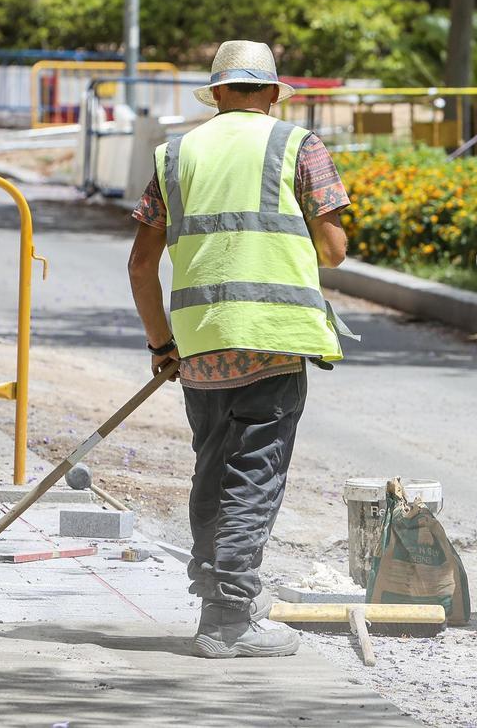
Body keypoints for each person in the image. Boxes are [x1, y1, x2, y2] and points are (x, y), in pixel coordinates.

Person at [128, 40, 351, 658]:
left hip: (200, 347)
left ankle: (215, 604)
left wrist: (161, 343)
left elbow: (142, 266)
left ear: (218, 94)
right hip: (274, 342)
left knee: (214, 468)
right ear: (275, 94)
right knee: (254, 474)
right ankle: (228, 618)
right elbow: (334, 250)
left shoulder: (175, 155)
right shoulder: (297, 145)